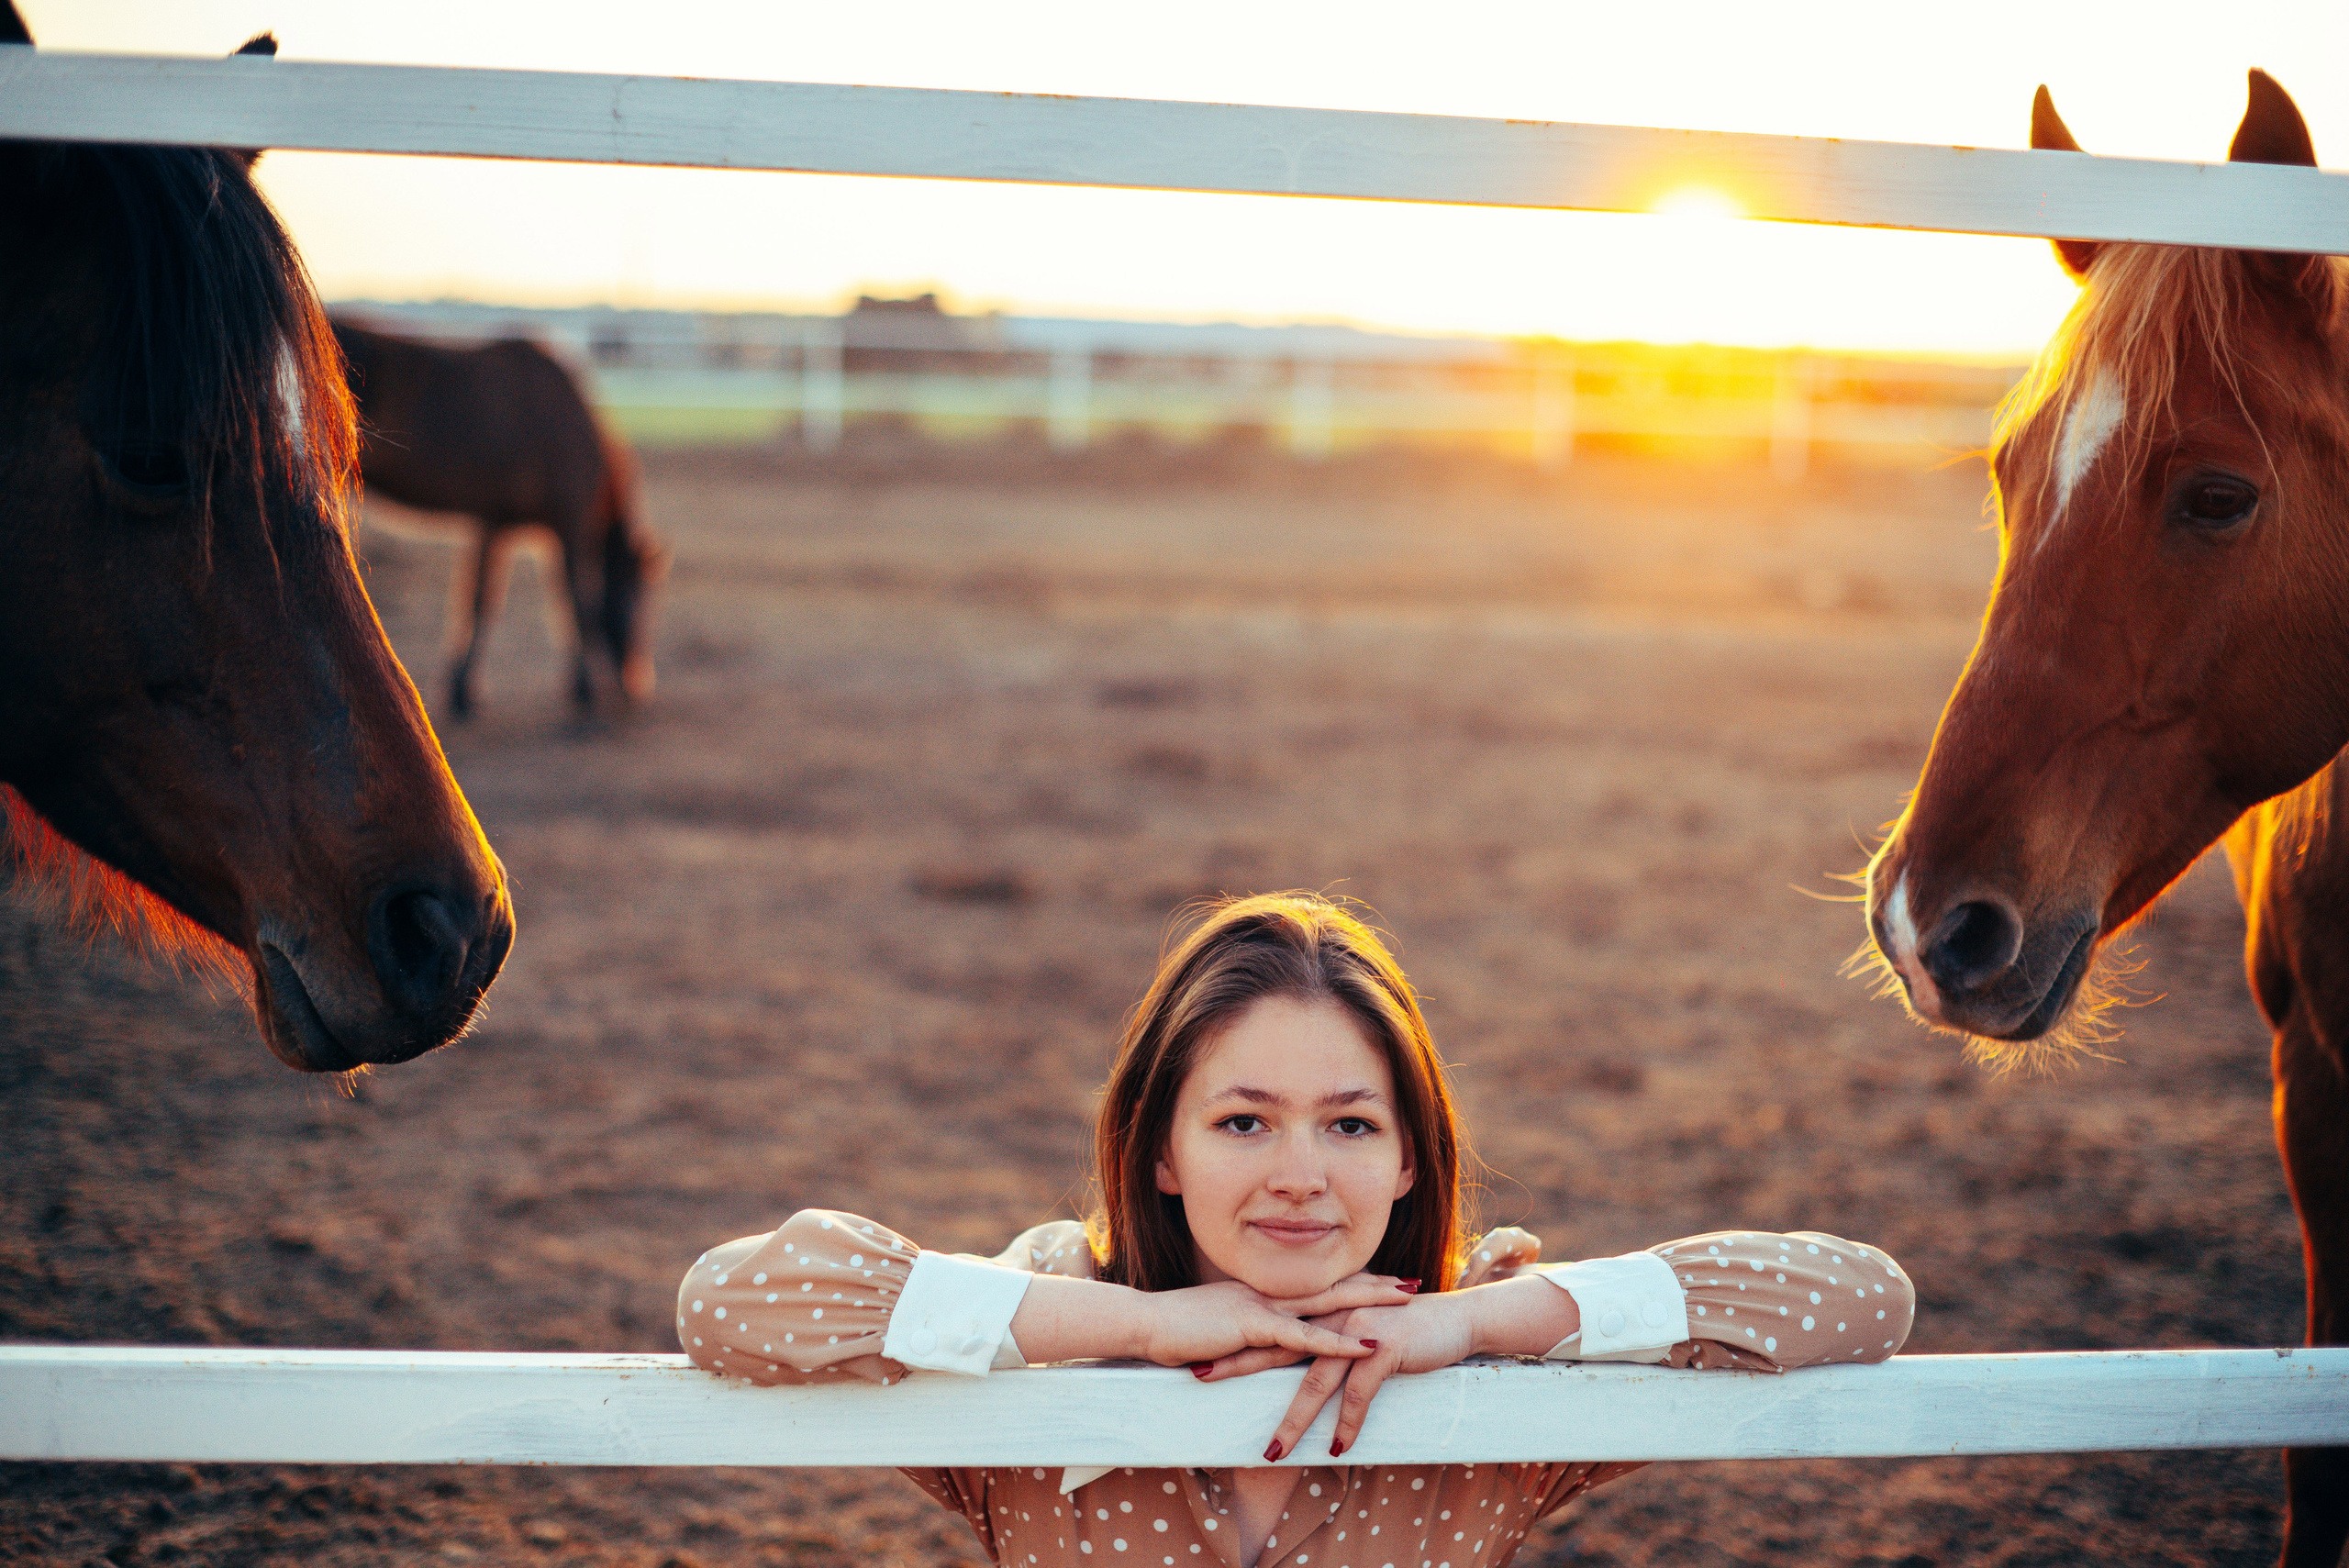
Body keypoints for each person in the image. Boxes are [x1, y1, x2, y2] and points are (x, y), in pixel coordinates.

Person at [679, 892, 1913, 1568]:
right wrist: (1141, 1324)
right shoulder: (1053, 1316)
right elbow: (729, 1304)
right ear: (1161, 1150)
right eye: (1244, 1122)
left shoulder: (1490, 1353)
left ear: (1410, 1155)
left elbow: (1861, 1297)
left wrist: (1472, 1322)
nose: (1301, 1179)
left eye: (1351, 1125)